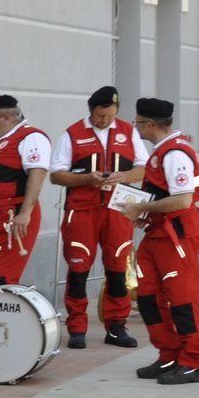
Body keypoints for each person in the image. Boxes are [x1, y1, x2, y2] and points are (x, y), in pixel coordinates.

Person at [48, 86, 148, 349]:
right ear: (91, 110)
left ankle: (116, 326)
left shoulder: (128, 131)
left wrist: (123, 177)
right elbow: (56, 174)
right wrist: (85, 179)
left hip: (118, 209)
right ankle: (77, 327)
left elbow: (143, 169)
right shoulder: (73, 134)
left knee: (117, 270)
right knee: (79, 269)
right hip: (82, 210)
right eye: (100, 115)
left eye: (110, 115)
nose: (104, 120)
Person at [118, 98, 199, 384]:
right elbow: (164, 195)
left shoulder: (175, 154)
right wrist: (147, 215)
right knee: (148, 298)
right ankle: (168, 354)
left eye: (138, 122)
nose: (135, 126)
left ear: (150, 124)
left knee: (182, 300)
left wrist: (142, 208)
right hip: (157, 233)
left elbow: (183, 199)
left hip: (175, 235)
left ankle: (191, 361)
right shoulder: (162, 152)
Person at [0, 94, 52, 284]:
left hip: (11, 216)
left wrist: (25, 213)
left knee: (0, 276)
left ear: (6, 118)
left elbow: (38, 174)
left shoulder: (31, 137)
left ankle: (0, 314)